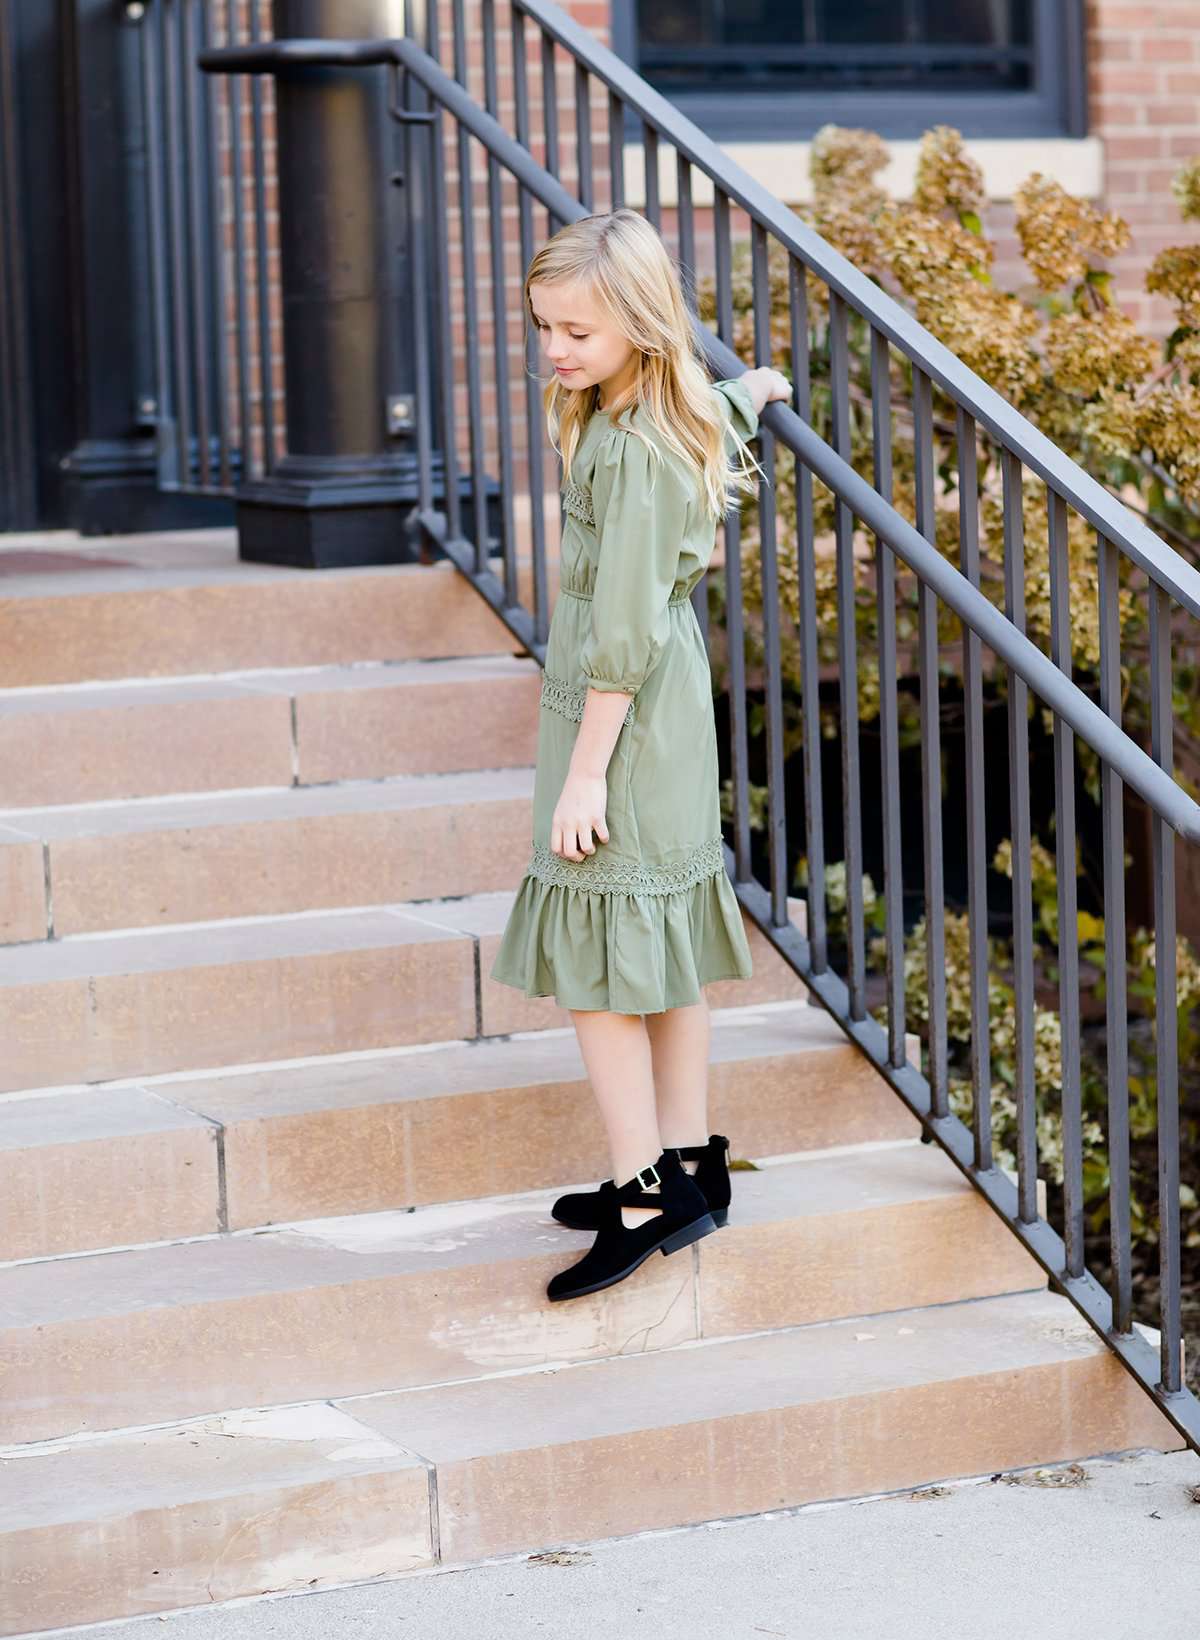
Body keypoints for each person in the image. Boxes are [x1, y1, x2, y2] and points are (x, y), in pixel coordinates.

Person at [488, 208, 792, 1303]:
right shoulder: (663, 417)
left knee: (598, 951)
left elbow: (622, 626)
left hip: (620, 716)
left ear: (643, 328)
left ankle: (641, 1189)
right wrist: (749, 393)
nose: (556, 350)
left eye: (577, 330)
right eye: (546, 327)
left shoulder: (632, 448)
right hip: (651, 708)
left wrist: (582, 770)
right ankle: (689, 1159)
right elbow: (705, 419)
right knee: (650, 928)